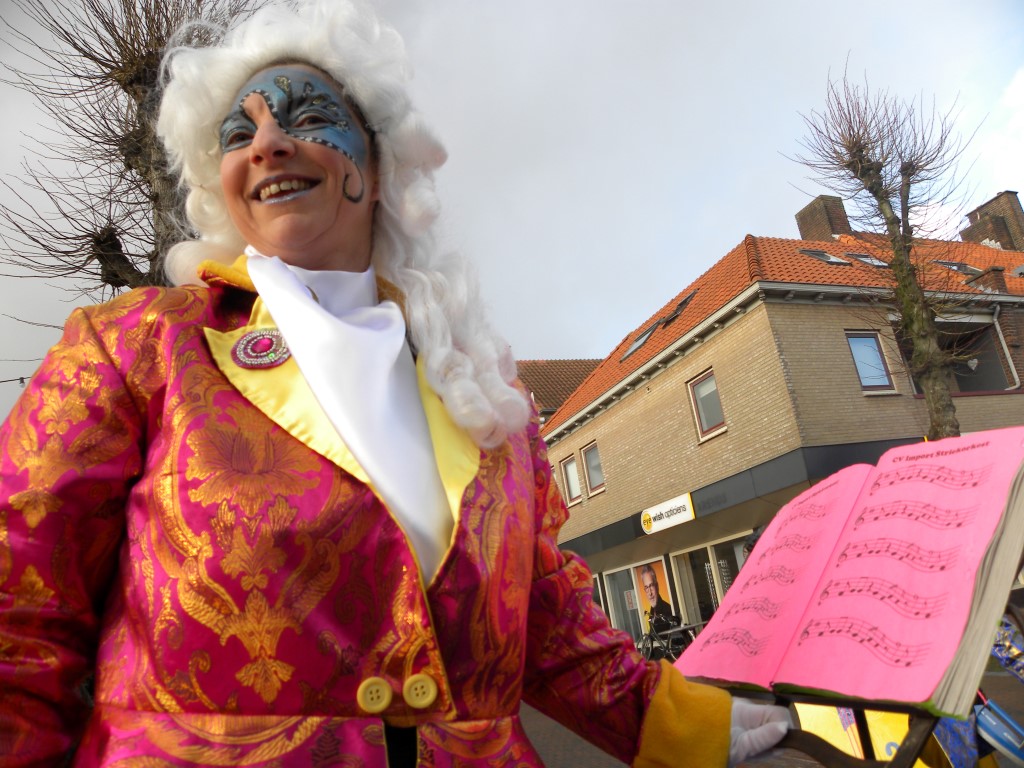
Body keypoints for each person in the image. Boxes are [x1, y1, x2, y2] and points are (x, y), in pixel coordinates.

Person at [0, 1, 790, 765]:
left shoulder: (482, 393)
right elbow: (19, 614)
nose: (267, 143)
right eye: (240, 133)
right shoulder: (135, 347)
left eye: (308, 116)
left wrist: (695, 726)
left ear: (380, 167)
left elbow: (545, 624)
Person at [640, 564, 678, 632]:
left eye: (651, 586)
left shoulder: (668, 610)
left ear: (657, 586)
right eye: (646, 588)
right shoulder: (651, 613)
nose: (650, 593)